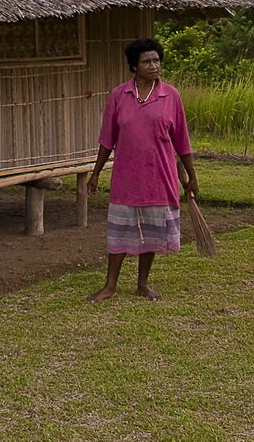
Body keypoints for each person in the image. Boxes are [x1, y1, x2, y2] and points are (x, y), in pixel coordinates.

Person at [85, 38, 198, 302]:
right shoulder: (119, 95)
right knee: (119, 231)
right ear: (133, 66)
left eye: (156, 60)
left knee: (151, 231)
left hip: (160, 176)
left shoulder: (171, 95)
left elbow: (182, 140)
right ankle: (110, 286)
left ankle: (142, 284)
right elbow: (107, 138)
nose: (153, 66)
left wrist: (191, 177)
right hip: (127, 177)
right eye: (146, 61)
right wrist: (96, 172)